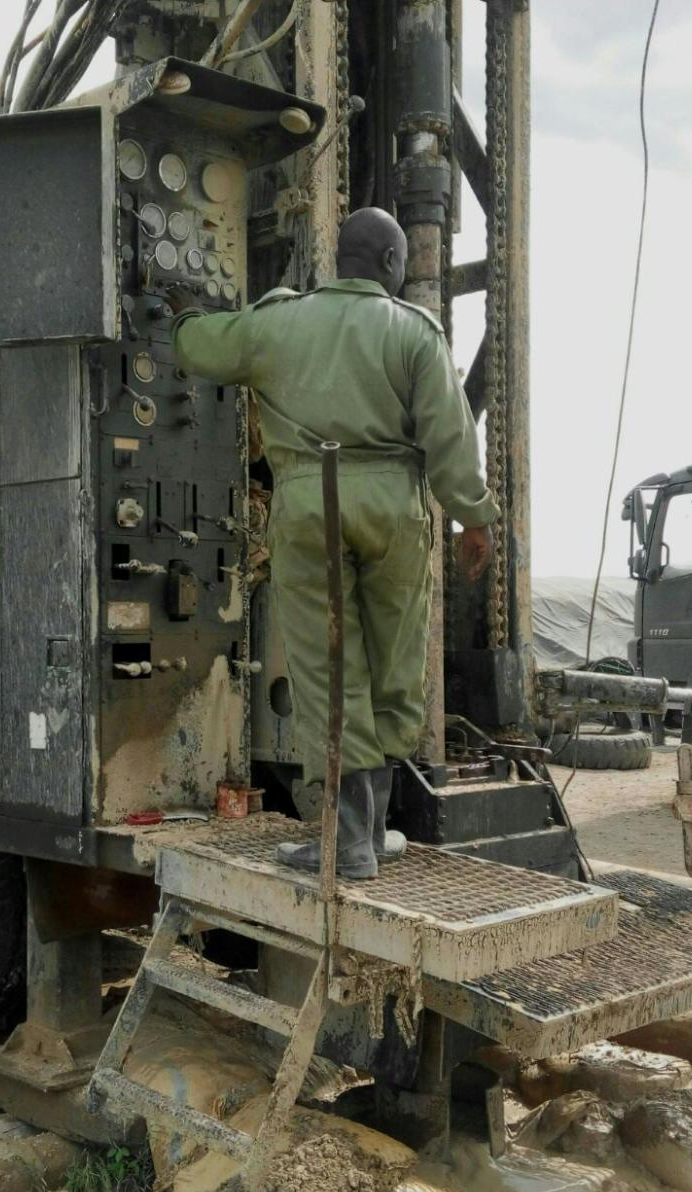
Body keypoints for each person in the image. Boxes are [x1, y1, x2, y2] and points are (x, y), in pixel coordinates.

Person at [170, 208, 497, 880]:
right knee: (394, 667)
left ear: (339, 261)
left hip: (309, 502)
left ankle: (355, 839)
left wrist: (178, 313)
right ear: (390, 265)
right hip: (395, 508)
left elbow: (198, 347)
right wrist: (474, 518)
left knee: (329, 672)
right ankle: (365, 834)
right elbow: (450, 436)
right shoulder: (414, 331)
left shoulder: (281, 322)